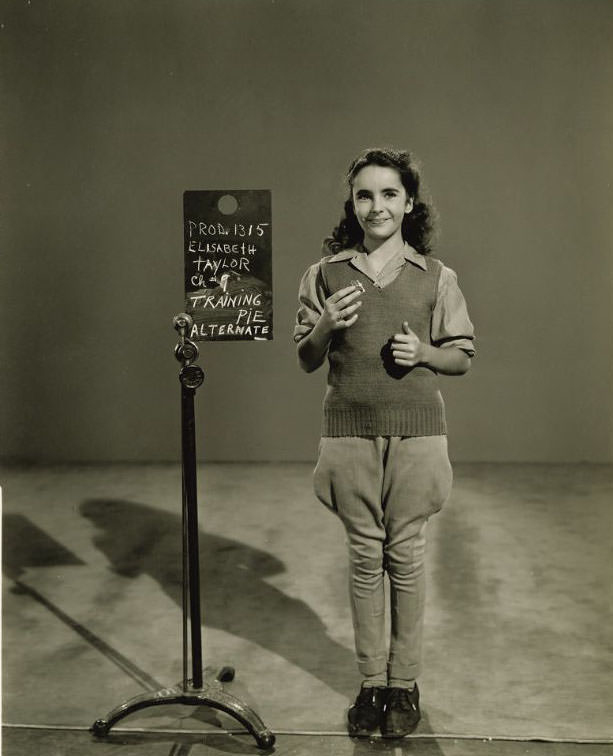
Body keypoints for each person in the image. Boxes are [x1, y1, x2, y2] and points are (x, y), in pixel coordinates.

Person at [294, 147, 475, 738]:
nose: (377, 205)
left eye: (389, 194)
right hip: (347, 435)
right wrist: (325, 325)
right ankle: (372, 684)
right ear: (352, 204)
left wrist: (424, 353)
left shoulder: (436, 276)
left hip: (419, 434)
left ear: (409, 203)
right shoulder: (324, 274)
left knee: (407, 556)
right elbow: (305, 357)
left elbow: (461, 357)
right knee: (364, 559)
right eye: (365, 195)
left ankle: (405, 683)